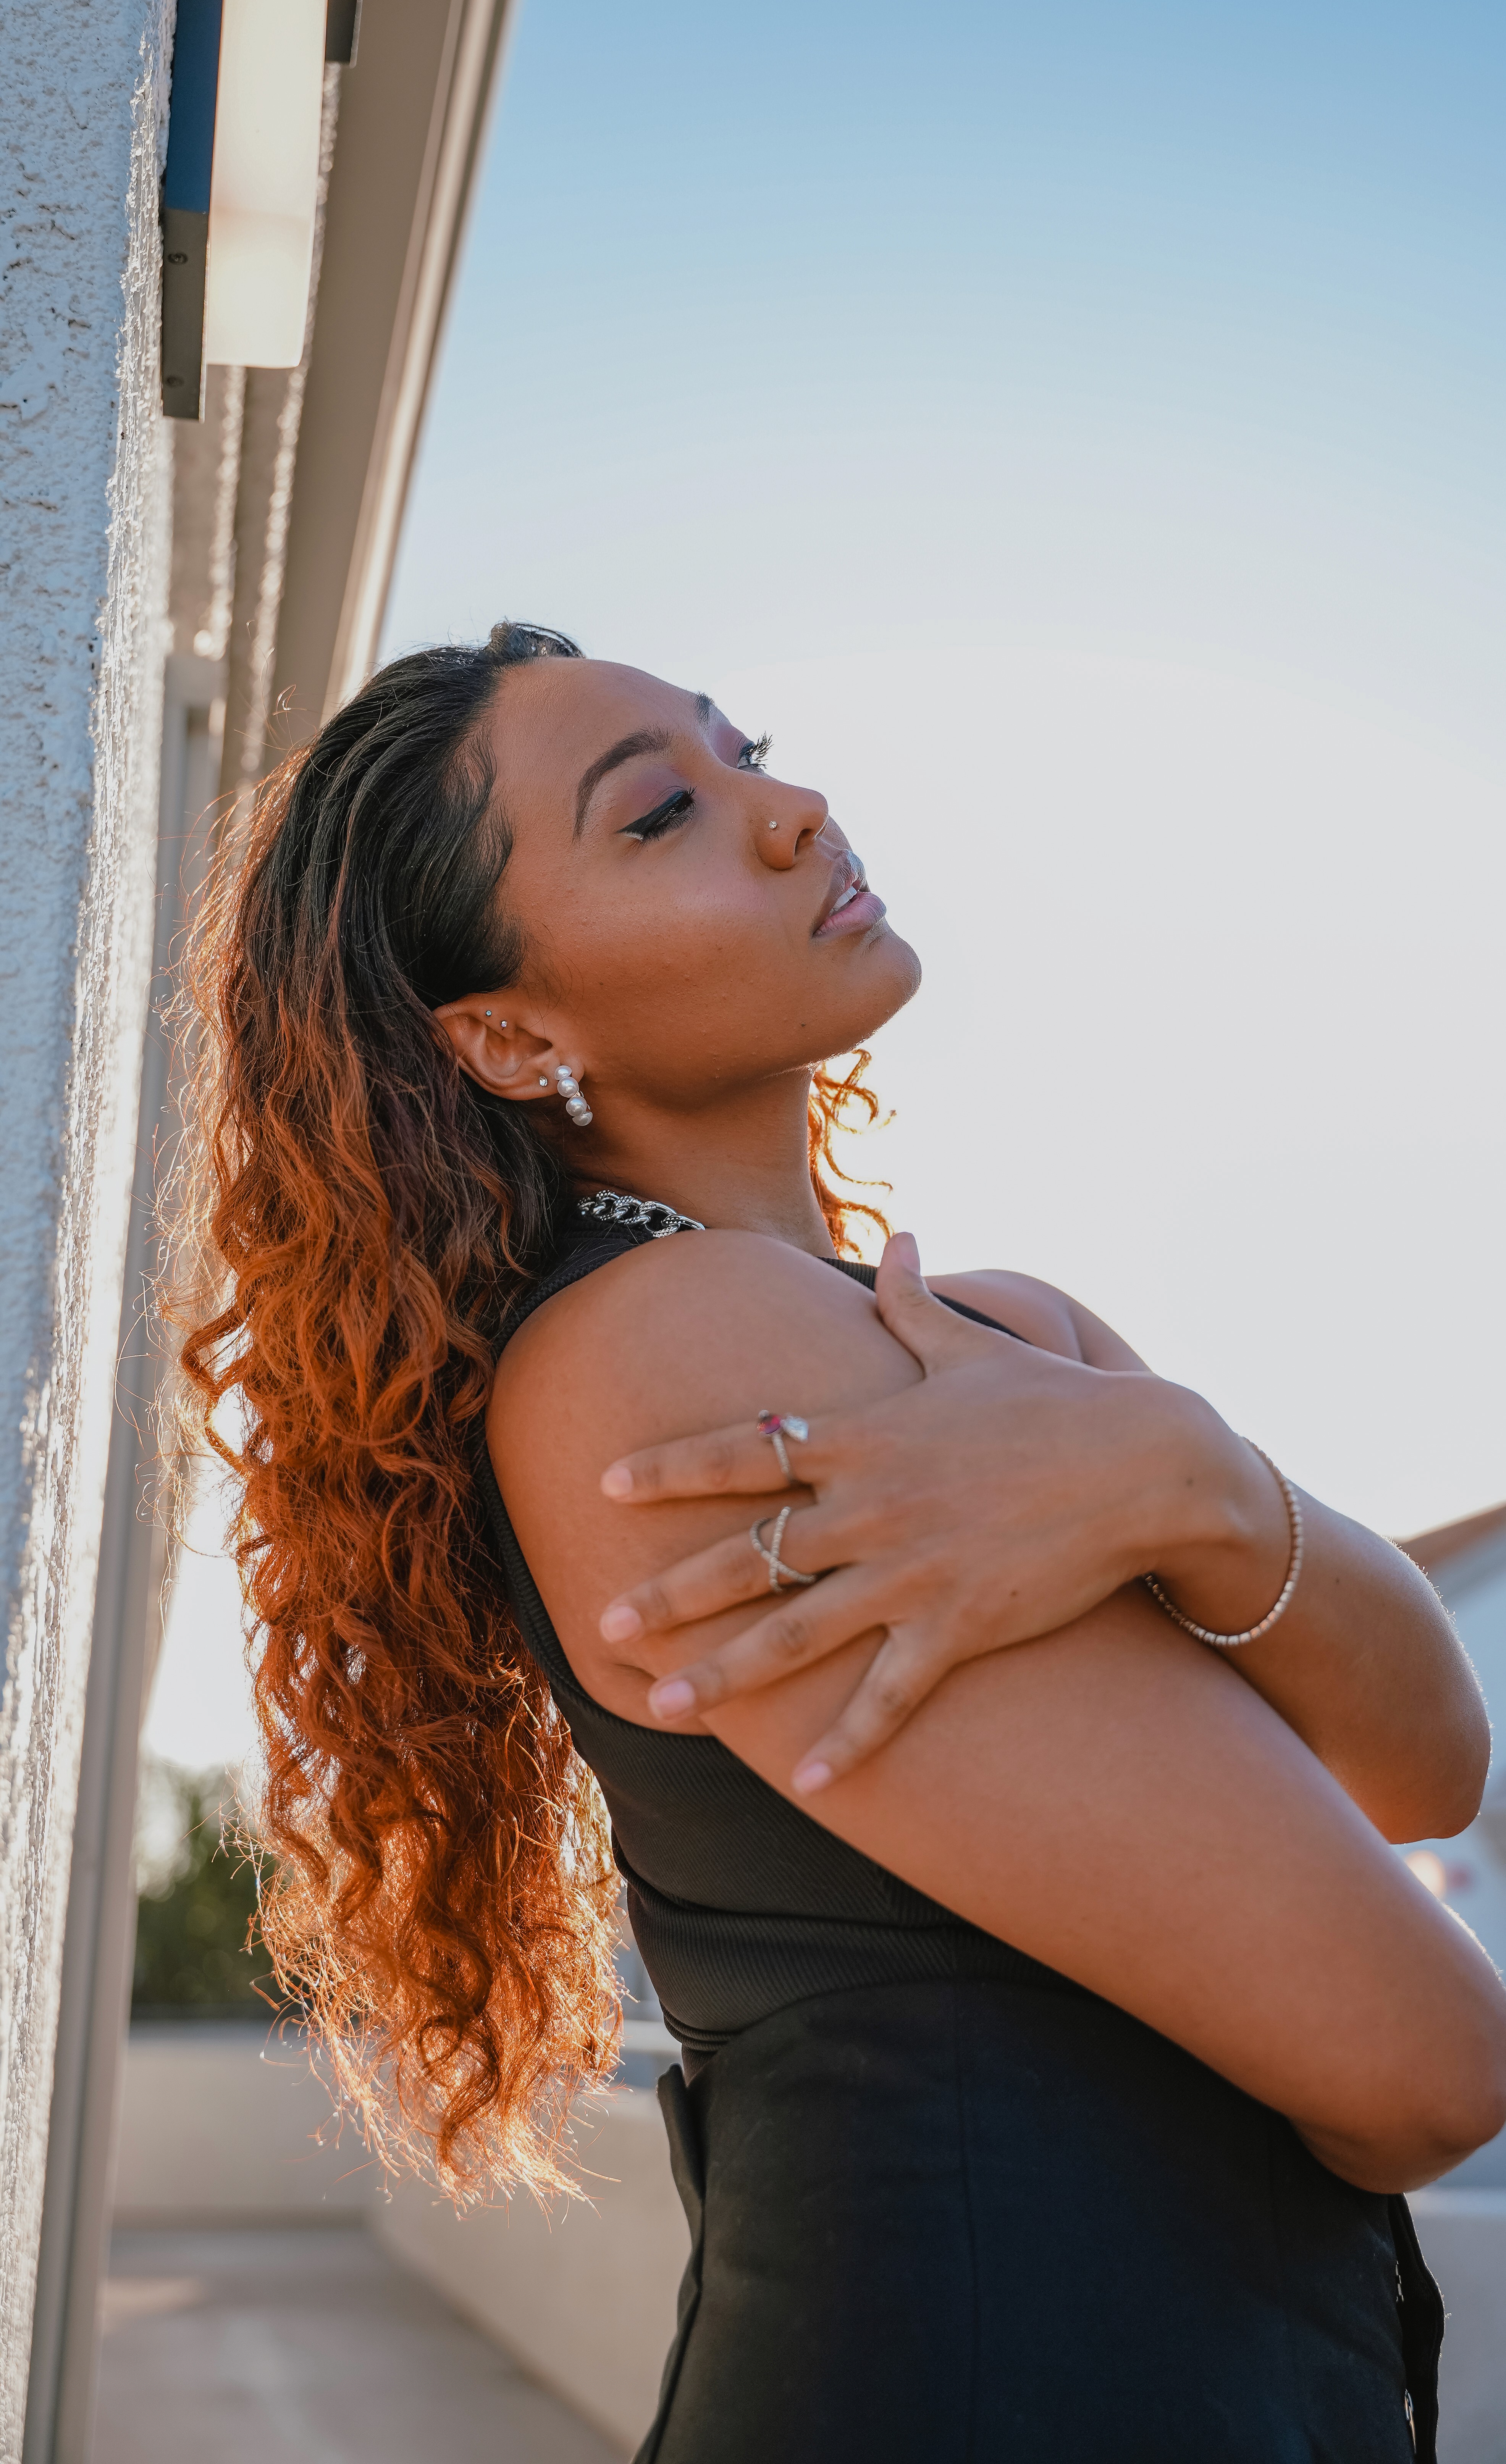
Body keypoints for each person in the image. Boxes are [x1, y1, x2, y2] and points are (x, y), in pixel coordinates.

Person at [175, 620, 1505, 2464]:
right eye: (660, 814)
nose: (791, 812)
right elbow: (1424, 2062)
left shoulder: (994, 1341)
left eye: (748, 755)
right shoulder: (667, 1351)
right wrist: (1168, 1490)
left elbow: (1428, 1766)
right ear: (508, 1032)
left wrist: (1188, 1479)